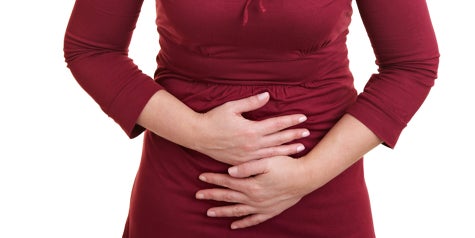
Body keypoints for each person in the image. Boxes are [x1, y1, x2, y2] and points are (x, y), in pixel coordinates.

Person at [64, 0, 439, 237]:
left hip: (323, 184)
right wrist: (198, 133)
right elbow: (92, 49)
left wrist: (305, 177)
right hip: (185, 188)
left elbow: (411, 64)